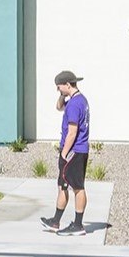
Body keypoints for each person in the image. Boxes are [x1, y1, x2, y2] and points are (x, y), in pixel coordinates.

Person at [40, 70, 90, 236]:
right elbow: (58, 107)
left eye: (59, 87)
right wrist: (63, 95)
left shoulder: (75, 104)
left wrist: (64, 153)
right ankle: (55, 221)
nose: (58, 90)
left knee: (77, 187)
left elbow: (72, 132)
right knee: (63, 185)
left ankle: (78, 225)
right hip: (74, 152)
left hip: (74, 152)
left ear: (68, 84)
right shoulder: (77, 100)